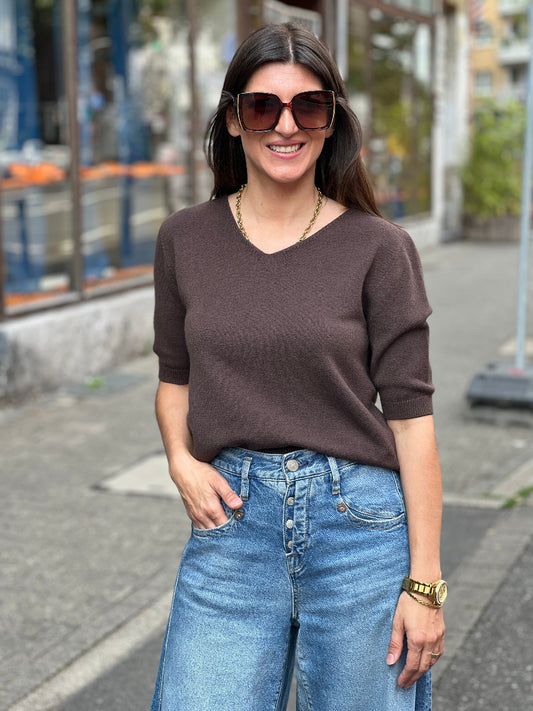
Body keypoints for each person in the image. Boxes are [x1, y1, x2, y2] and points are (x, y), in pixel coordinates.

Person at [150, 22, 445, 711]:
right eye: (263, 106)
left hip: (359, 532)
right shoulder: (184, 238)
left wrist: (425, 585)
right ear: (233, 119)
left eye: (308, 106)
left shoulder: (380, 248)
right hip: (230, 531)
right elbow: (174, 379)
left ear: (330, 120)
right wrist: (181, 461)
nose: (286, 125)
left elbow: (412, 424)